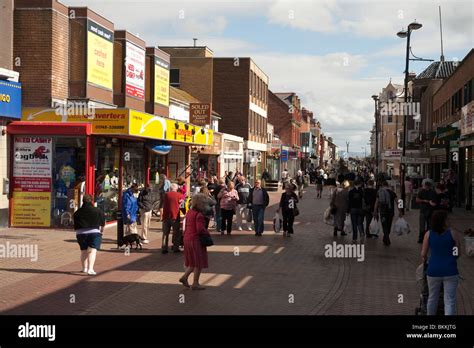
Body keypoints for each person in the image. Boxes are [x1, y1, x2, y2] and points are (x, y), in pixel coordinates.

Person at [421, 210, 461, 315]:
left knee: (432, 297)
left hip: (433, 270)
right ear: (442, 221)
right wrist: (451, 259)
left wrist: (425, 260)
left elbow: (423, 254)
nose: (449, 220)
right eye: (447, 219)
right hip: (450, 270)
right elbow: (457, 253)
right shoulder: (453, 233)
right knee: (450, 300)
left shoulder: (428, 234)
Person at [179, 194, 213, 290]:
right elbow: (200, 229)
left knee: (192, 261)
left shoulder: (190, 212)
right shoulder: (199, 215)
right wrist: (207, 233)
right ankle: (195, 283)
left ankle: (185, 277)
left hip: (187, 238)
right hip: (195, 240)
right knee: (198, 262)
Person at [74, 194, 105, 276]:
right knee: (92, 251)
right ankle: (90, 269)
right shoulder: (98, 211)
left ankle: (84, 268)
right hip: (94, 233)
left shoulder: (77, 212)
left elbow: (75, 225)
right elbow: (102, 223)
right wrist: (101, 231)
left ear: (83, 201)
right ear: (92, 201)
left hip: (80, 234)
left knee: (83, 251)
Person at [374, 181, 400, 246]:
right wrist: (400, 211)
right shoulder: (392, 193)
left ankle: (385, 238)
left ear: (382, 185)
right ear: (388, 185)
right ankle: (387, 238)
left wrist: (375, 211)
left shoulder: (379, 192)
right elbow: (398, 202)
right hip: (390, 212)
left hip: (382, 212)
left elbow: (376, 203)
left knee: (384, 225)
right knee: (388, 225)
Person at [162, 183, 183, 254]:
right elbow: (182, 207)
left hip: (166, 216)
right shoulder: (179, 196)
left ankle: (164, 248)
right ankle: (175, 248)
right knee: (176, 233)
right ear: (176, 188)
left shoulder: (166, 195)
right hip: (175, 216)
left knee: (165, 233)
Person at [348, 178, 365, 244]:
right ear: (359, 184)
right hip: (360, 208)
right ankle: (361, 233)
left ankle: (354, 239)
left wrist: (347, 210)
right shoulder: (362, 191)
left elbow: (349, 202)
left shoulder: (351, 192)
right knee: (360, 223)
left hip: (353, 209)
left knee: (354, 224)